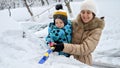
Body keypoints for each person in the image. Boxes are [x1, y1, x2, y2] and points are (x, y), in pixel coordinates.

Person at [52, 0, 105, 66]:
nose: (85, 15)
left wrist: (63, 47)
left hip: (83, 63)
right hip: (67, 61)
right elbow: (62, 29)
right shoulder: (74, 23)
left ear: (93, 14)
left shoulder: (96, 30)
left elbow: (85, 49)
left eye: (88, 12)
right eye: (83, 12)